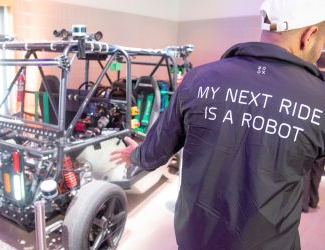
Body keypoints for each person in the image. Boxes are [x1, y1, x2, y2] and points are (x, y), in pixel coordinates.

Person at [110, 0, 325, 249]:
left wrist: (134, 154)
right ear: (309, 35)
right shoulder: (320, 99)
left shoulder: (198, 79)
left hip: (196, 239)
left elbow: (154, 153)